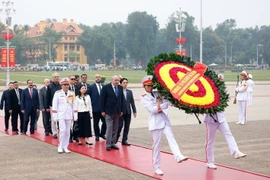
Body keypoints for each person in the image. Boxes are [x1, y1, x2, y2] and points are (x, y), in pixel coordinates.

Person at [140, 75, 188, 175]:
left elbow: (168, 101)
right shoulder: (143, 97)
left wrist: (166, 102)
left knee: (171, 137)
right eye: (148, 85)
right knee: (156, 146)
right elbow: (152, 110)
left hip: (164, 120)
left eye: (151, 85)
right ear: (144, 86)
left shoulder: (157, 93)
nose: (150, 87)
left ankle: (178, 155)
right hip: (155, 122)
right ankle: (156, 167)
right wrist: (163, 105)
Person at [204, 74, 246, 169]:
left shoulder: (222, 92)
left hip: (221, 118)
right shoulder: (208, 91)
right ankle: (209, 161)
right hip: (211, 120)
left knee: (228, 134)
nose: (221, 83)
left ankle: (235, 152)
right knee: (210, 141)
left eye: (222, 81)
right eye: (220, 81)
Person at [52, 78, 78, 153]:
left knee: (67, 132)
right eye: (64, 85)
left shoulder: (72, 93)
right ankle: (60, 146)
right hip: (61, 115)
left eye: (67, 85)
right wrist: (54, 115)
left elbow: (74, 105)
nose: (66, 86)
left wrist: (75, 115)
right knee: (62, 130)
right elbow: (55, 105)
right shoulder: (58, 93)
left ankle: (65, 146)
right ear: (61, 85)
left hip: (69, 114)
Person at [100, 75, 124, 151]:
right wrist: (102, 111)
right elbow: (102, 99)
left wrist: (121, 110)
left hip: (117, 111)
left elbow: (121, 99)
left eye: (118, 80)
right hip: (108, 111)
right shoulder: (106, 87)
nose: (117, 82)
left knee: (115, 128)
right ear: (112, 80)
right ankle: (108, 144)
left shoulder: (120, 88)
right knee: (109, 128)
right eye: (116, 80)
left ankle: (113, 143)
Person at [117, 78, 137, 146]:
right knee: (120, 126)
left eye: (126, 82)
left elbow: (132, 102)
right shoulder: (118, 91)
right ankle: (115, 139)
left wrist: (134, 111)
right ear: (121, 83)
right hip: (121, 112)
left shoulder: (129, 92)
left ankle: (124, 140)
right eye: (124, 82)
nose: (125, 84)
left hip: (128, 111)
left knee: (127, 126)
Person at [88, 74, 106, 141]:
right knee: (96, 123)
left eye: (99, 77)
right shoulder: (91, 86)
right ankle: (97, 135)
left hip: (103, 109)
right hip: (95, 108)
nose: (98, 78)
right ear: (94, 78)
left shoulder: (104, 86)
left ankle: (102, 133)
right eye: (96, 77)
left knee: (105, 122)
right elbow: (88, 95)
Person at [46, 72, 61, 138]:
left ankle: (60, 131)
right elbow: (48, 96)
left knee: (61, 119)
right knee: (53, 119)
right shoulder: (50, 86)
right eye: (55, 77)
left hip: (60, 105)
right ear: (53, 78)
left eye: (57, 76)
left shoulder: (61, 85)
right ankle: (54, 132)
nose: (57, 78)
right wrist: (47, 106)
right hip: (53, 105)